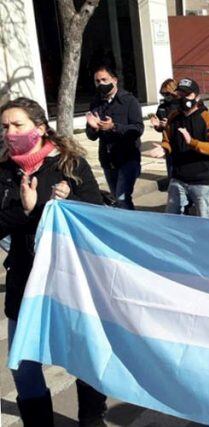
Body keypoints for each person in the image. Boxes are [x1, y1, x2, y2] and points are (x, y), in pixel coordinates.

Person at [1, 97, 107, 426]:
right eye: (4, 127)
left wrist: (69, 201)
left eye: (17, 125)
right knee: (23, 365)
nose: (9, 133)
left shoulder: (69, 164)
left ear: (40, 128)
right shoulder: (4, 171)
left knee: (83, 357)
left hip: (70, 282)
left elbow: (98, 216)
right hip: (25, 281)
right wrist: (26, 209)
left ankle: (91, 418)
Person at [147, 78, 209, 218]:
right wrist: (163, 148)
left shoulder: (207, 118)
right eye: (180, 94)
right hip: (178, 177)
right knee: (171, 216)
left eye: (187, 95)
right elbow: (167, 140)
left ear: (197, 97)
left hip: (200, 180)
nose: (182, 98)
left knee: (203, 219)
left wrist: (192, 142)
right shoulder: (174, 117)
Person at [85, 65, 144, 210]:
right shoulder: (96, 103)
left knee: (122, 198)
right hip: (107, 160)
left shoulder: (129, 101)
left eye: (104, 80)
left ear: (114, 80)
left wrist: (114, 127)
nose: (101, 84)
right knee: (116, 199)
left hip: (128, 158)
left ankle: (131, 229)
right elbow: (91, 136)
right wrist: (94, 127)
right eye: (97, 81)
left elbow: (138, 129)